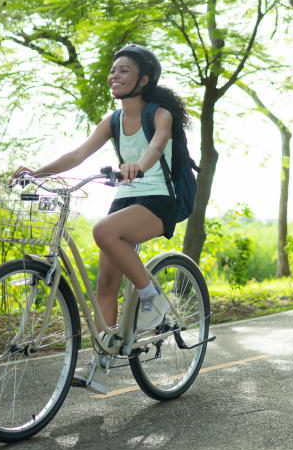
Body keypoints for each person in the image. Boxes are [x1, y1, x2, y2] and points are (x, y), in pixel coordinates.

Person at [12, 44, 190, 394]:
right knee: (105, 287)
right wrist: (38, 173)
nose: (115, 76)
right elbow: (78, 153)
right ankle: (102, 366)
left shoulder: (160, 113)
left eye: (124, 70)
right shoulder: (113, 120)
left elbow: (157, 144)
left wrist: (139, 165)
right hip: (126, 197)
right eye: (113, 70)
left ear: (144, 79)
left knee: (103, 230)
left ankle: (153, 300)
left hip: (160, 199)